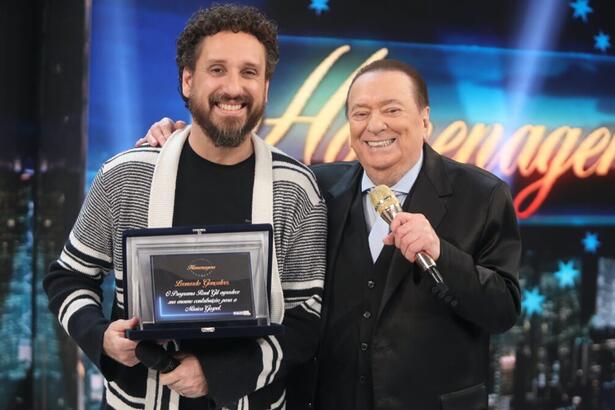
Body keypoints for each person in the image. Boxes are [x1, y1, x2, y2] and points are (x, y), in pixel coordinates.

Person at [142, 59, 521, 409]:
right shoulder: (317, 188)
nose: (375, 125)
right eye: (360, 113)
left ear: (424, 120)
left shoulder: (483, 195)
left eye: (392, 110)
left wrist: (441, 254)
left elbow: (503, 310)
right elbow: (239, 171)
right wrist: (181, 140)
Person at [43, 4, 327, 410]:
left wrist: (217, 373)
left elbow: (306, 318)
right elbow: (68, 278)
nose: (234, 87)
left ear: (265, 87)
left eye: (249, 72)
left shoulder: (296, 189)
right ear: (187, 80)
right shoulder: (126, 176)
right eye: (217, 70)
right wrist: (101, 335)